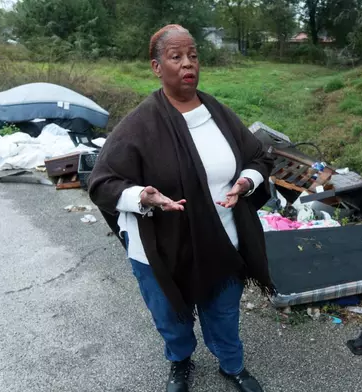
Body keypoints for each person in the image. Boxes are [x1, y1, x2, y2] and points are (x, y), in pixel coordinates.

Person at [88, 24, 275, 392]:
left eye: (193, 55)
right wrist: (143, 197)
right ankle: (180, 361)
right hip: (161, 246)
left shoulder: (218, 113)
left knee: (223, 311)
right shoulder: (139, 125)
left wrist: (245, 182)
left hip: (222, 240)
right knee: (171, 316)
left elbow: (258, 157)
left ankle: (231, 365)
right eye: (176, 57)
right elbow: (102, 183)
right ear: (157, 67)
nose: (188, 64)